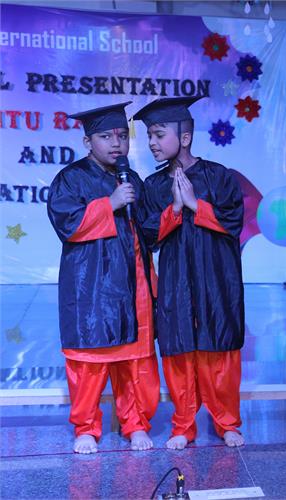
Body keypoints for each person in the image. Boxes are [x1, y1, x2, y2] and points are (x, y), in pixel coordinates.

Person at [47, 101, 159, 454]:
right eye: (106, 137)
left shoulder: (131, 178)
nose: (116, 143)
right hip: (91, 284)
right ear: (87, 142)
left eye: (122, 136)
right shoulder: (71, 178)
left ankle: (135, 423)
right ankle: (86, 428)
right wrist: (108, 204)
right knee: (90, 361)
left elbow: (147, 230)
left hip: (131, 281)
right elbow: (67, 224)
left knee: (133, 361)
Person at [135, 96, 245, 449]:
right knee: (179, 348)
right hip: (176, 279)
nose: (152, 142)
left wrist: (196, 205)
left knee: (219, 348)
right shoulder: (153, 186)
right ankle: (183, 425)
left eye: (158, 134)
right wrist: (175, 208)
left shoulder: (219, 176)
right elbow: (148, 235)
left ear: (184, 137)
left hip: (217, 277)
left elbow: (233, 221)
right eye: (149, 136)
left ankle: (227, 422)